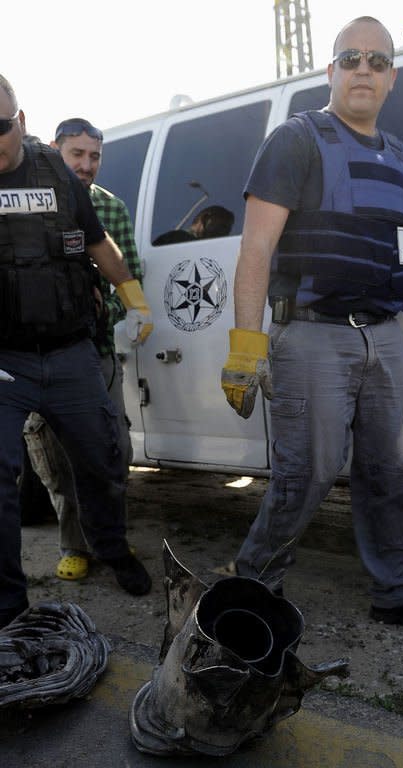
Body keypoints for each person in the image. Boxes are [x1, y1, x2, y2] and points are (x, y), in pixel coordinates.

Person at [221, 17, 403, 640]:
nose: (363, 68)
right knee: (309, 472)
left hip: (386, 337)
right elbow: (256, 250)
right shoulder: (296, 140)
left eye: (376, 59)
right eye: (351, 57)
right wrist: (245, 346)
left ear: (392, 77)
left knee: (397, 470)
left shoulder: (398, 156)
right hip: (313, 333)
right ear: (332, 72)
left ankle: (396, 592)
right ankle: (253, 582)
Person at [0, 74, 154, 628]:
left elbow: (98, 242)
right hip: (5, 362)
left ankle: (113, 550)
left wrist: (135, 301)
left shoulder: (56, 174)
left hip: (69, 353)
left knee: (106, 458)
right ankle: (8, 606)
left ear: (19, 121)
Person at [21, 117, 143, 583]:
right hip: (35, 355)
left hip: (94, 351)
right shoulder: (25, 204)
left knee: (113, 448)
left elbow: (129, 274)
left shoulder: (110, 210)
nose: (87, 165)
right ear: (55, 150)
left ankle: (110, 536)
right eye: (78, 154)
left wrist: (103, 302)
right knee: (53, 457)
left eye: (94, 157)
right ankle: (73, 544)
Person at [153, 205, 234, 245]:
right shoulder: (177, 239)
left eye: (228, 229)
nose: (225, 232)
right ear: (205, 219)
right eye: (222, 226)